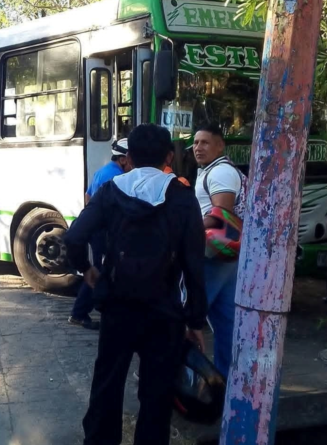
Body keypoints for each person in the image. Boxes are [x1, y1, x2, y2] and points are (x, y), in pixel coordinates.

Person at [63, 124, 208, 445]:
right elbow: (194, 265)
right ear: (169, 156)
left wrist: (86, 269)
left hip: (117, 306)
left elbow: (73, 237)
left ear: (129, 156)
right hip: (164, 312)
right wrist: (196, 320)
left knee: (107, 385)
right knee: (156, 395)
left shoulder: (111, 191)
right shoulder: (182, 198)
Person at [192, 123, 244, 379]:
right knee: (226, 321)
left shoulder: (221, 172)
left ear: (220, 145)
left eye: (205, 142)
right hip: (224, 254)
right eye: (196, 142)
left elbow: (221, 214)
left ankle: (183, 378)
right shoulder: (212, 170)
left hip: (214, 253)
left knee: (188, 315)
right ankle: (227, 378)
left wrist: (186, 230)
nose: (198, 147)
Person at [69, 138, 133, 330]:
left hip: (96, 229)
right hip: (103, 233)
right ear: (123, 160)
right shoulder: (115, 178)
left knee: (100, 269)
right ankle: (80, 313)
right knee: (101, 271)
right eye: (132, 160)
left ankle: (82, 312)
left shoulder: (103, 171)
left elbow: (88, 196)